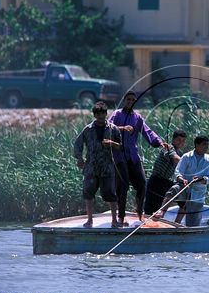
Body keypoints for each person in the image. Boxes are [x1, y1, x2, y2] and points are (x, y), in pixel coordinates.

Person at [108, 90, 168, 226]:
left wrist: (159, 142)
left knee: (141, 183)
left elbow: (147, 131)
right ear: (124, 100)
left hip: (133, 156)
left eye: (132, 100)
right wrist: (122, 128)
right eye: (128, 99)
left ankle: (139, 213)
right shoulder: (117, 114)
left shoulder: (137, 117)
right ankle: (121, 218)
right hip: (119, 156)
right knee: (123, 186)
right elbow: (108, 128)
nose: (130, 102)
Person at [74, 102, 122, 228]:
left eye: (103, 113)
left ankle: (114, 220)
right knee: (88, 193)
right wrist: (80, 158)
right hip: (91, 167)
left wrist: (111, 143)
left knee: (110, 194)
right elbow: (77, 144)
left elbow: (121, 147)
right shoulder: (88, 129)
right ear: (94, 115)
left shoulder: (113, 129)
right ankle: (89, 220)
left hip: (107, 167)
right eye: (98, 114)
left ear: (106, 114)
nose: (100, 116)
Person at [155, 135, 209, 226]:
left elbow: (208, 178)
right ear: (196, 145)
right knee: (174, 189)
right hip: (184, 187)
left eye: (207, 145)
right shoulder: (187, 157)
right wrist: (181, 179)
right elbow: (178, 172)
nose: (206, 147)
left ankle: (178, 225)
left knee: (193, 224)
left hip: (198, 193)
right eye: (204, 145)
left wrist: (200, 180)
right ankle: (161, 212)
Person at [143, 129, 187, 216]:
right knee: (151, 207)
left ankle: (177, 223)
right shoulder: (167, 147)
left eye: (183, 141)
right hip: (156, 181)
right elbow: (175, 158)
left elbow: (180, 169)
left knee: (183, 201)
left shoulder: (180, 153)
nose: (180, 142)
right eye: (178, 140)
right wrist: (188, 164)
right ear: (173, 139)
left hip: (167, 182)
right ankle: (147, 225)